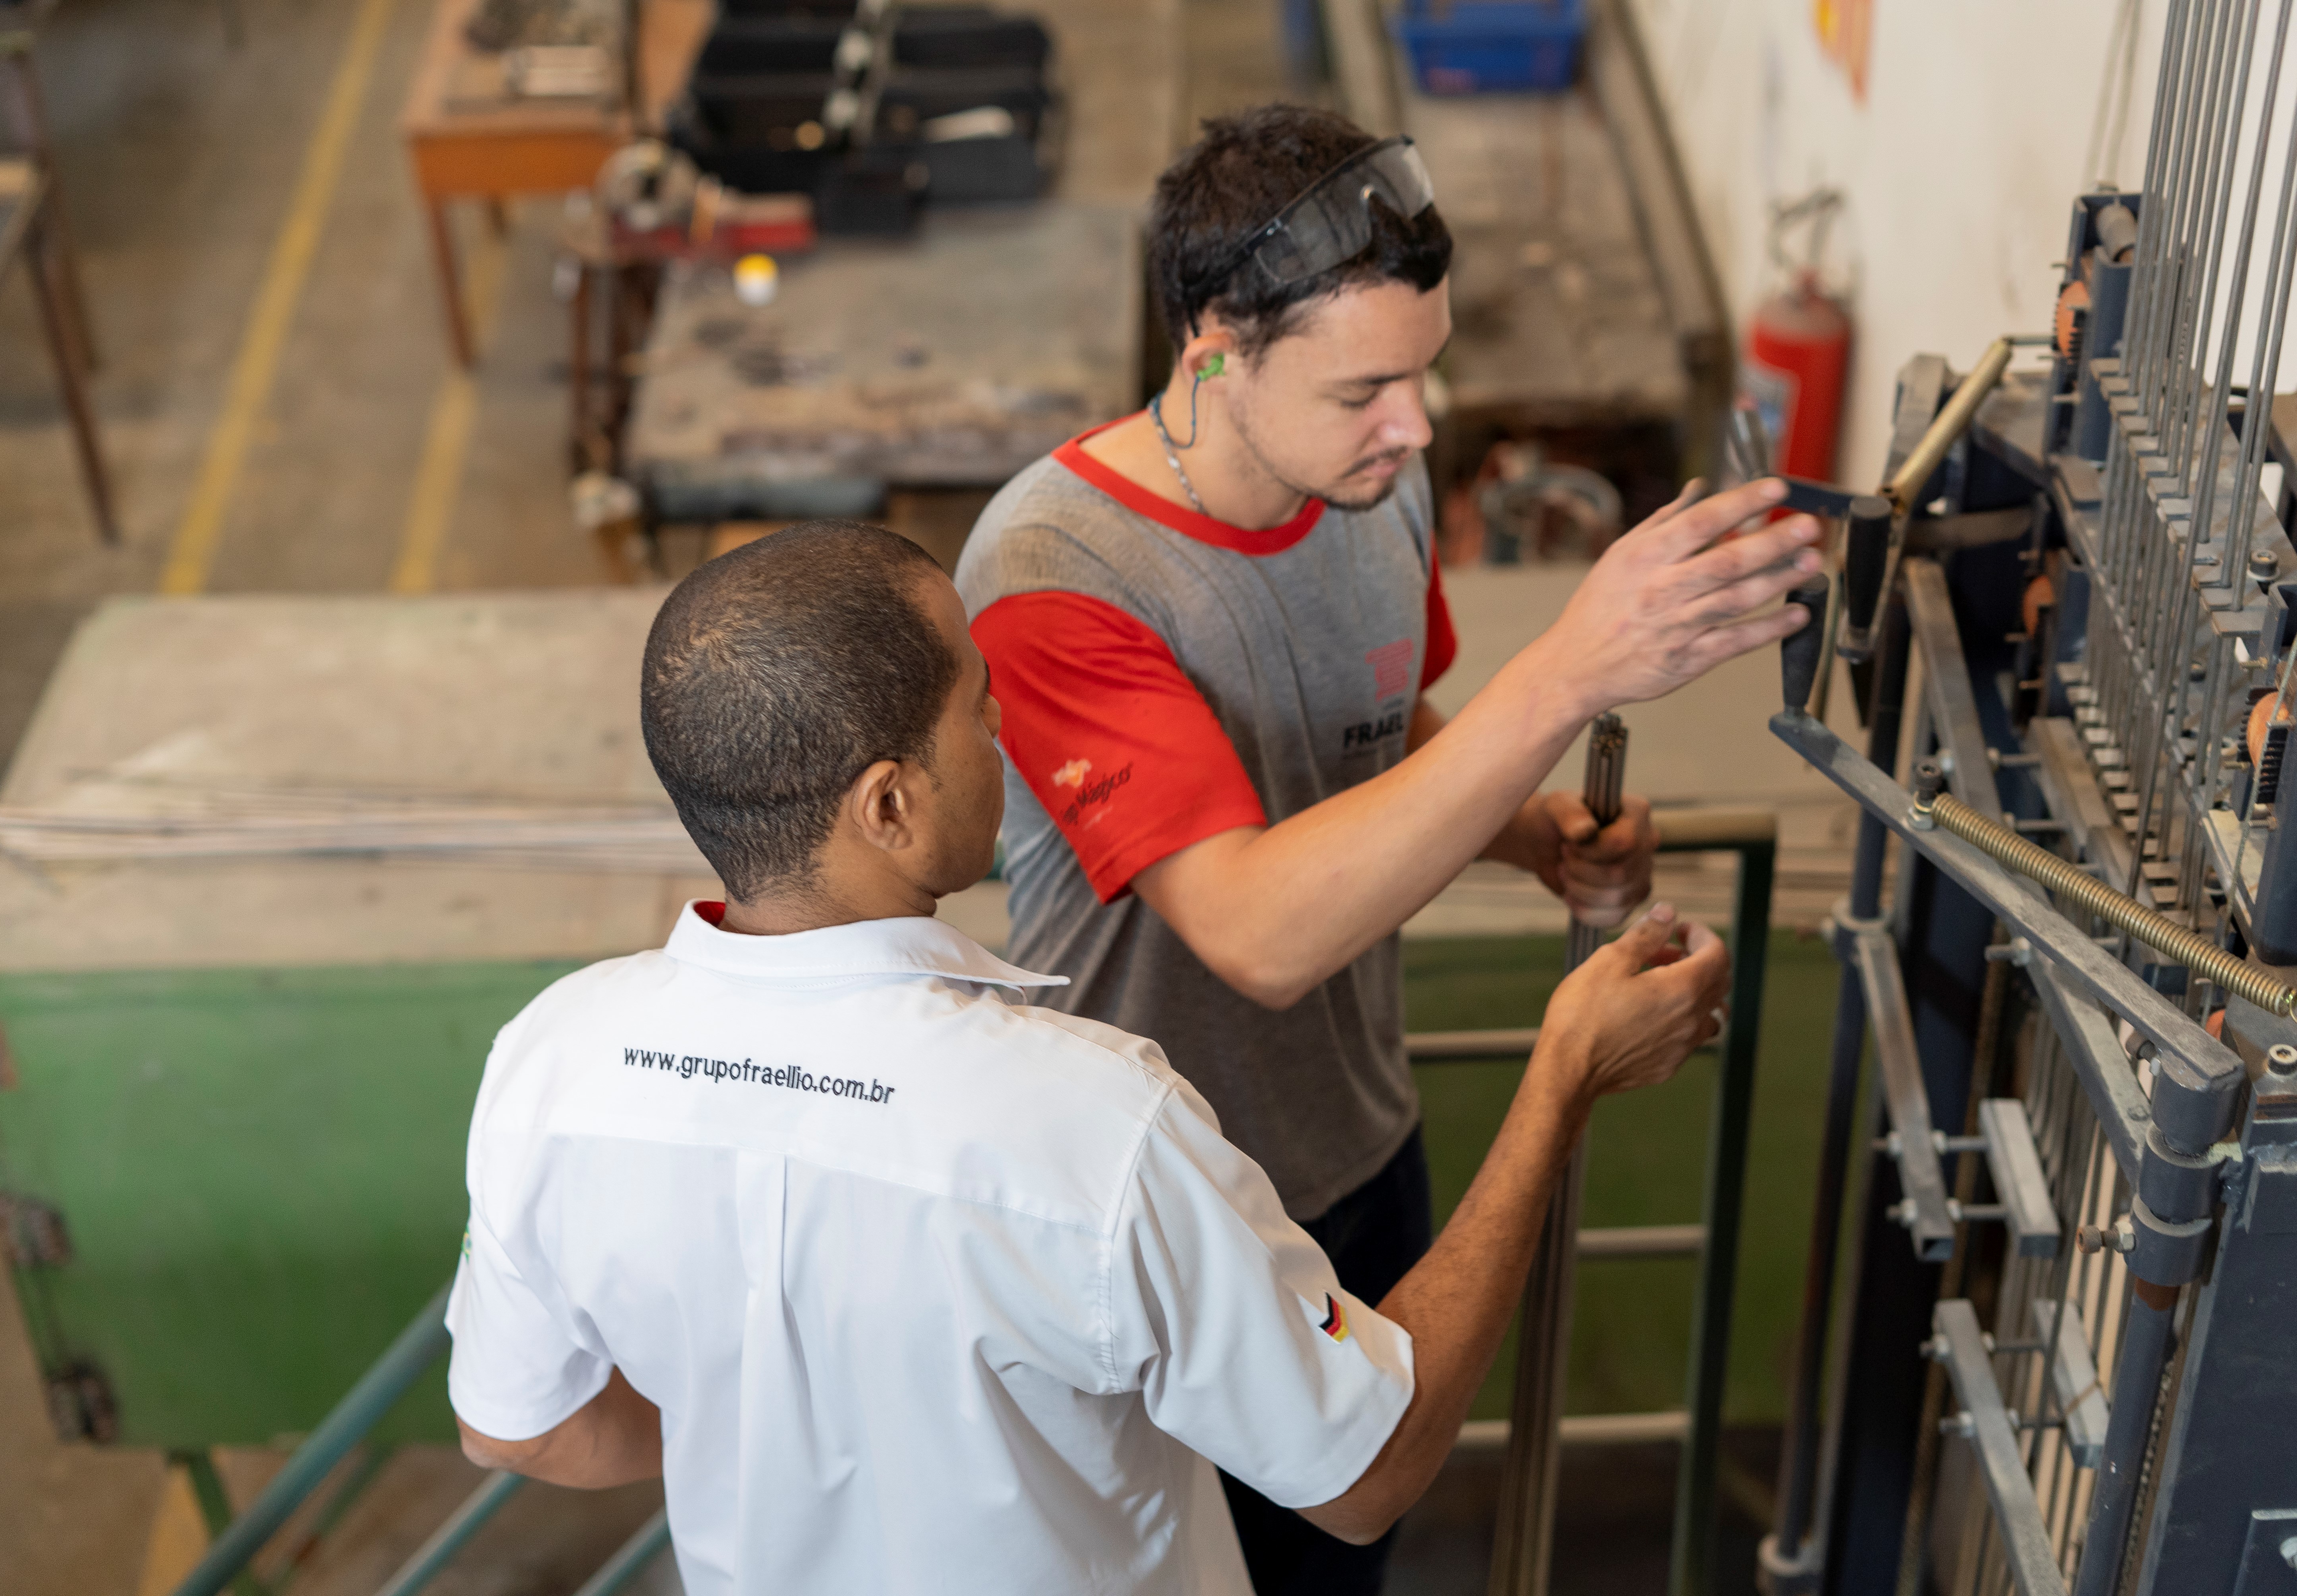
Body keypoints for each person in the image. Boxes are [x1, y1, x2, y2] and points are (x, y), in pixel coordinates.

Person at [444, 520, 1739, 1596]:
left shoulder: (552, 1065)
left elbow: (523, 1424)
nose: (1003, 722)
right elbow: (1366, 1474)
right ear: (888, 804)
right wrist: (1563, 1073)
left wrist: (789, 1429)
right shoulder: (1090, 1128)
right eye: (974, 698)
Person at [951, 105, 1821, 1592]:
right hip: (1154, 1214)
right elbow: (1256, 930)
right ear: (1214, 351)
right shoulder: (1056, 574)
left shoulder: (1373, 483)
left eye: (1423, 373)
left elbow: (1380, 725)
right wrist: (1569, 673)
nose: (1417, 427)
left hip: (1361, 1154)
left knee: (1343, 1563)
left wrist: (1539, 837)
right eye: (1366, 388)